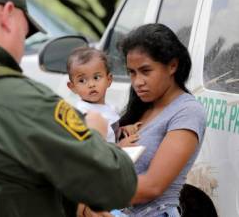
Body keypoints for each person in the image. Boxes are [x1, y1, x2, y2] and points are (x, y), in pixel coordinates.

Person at [0, 0, 138, 217]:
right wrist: (95, 135)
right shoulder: (19, 98)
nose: (22, 49)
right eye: (25, 34)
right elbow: (117, 184)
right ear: (7, 15)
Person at [81, 23, 206, 217]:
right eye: (132, 72)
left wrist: (90, 197)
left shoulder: (187, 111)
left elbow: (152, 186)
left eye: (146, 71)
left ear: (172, 65)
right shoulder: (140, 109)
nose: (137, 82)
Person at [66, 47, 140, 147]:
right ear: (72, 87)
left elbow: (109, 133)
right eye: (82, 80)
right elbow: (93, 149)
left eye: (96, 77)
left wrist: (122, 130)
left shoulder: (110, 108)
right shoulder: (83, 115)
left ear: (109, 80)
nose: (91, 84)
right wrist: (120, 147)